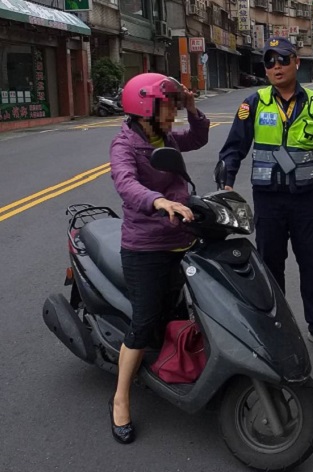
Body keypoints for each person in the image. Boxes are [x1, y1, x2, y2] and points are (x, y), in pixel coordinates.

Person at [218, 37, 313, 356]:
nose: (276, 67)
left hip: (306, 200)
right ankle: (276, 328)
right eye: (269, 62)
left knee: (310, 263)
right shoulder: (254, 103)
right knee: (270, 267)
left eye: (282, 59)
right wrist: (226, 181)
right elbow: (234, 148)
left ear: (297, 62)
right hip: (269, 202)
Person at [108, 72, 209, 444]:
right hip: (145, 245)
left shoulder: (164, 137)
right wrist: (159, 200)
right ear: (145, 108)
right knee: (145, 320)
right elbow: (126, 182)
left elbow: (197, 138)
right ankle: (120, 398)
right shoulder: (124, 145)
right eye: (168, 107)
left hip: (181, 237)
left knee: (180, 311)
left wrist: (193, 107)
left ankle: (172, 369)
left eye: (174, 106)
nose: (173, 114)